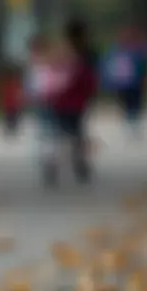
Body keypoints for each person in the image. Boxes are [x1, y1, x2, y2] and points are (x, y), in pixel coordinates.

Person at [50, 18, 100, 181]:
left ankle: (56, 161)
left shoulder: (59, 52)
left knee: (62, 133)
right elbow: (90, 78)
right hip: (77, 100)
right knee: (76, 132)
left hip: (60, 100)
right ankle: (78, 162)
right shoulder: (86, 54)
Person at [24, 34, 71, 186]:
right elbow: (31, 86)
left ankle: (50, 157)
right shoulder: (36, 67)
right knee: (48, 132)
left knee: (51, 132)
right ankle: (49, 157)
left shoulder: (48, 65)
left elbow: (62, 82)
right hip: (43, 103)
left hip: (52, 102)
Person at [102, 25, 147, 139]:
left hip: (132, 83)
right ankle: (132, 123)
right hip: (126, 83)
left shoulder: (137, 49)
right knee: (130, 104)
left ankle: (132, 123)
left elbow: (145, 66)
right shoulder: (120, 50)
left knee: (134, 104)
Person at [0, 62, 24, 138]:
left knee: (11, 117)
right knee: (10, 117)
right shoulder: (11, 83)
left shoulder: (8, 83)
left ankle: (11, 129)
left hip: (11, 104)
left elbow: (3, 95)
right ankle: (11, 129)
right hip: (10, 104)